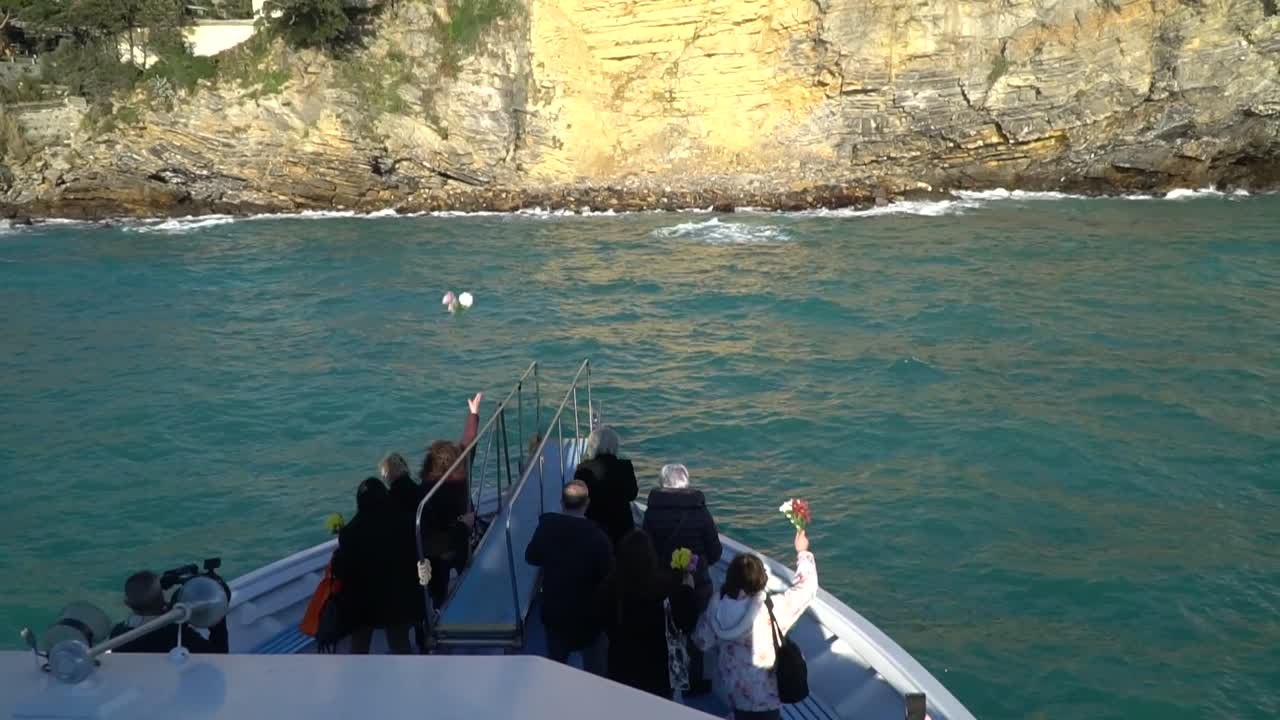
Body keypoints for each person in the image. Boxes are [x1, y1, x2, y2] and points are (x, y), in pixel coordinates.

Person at [693, 529, 818, 720]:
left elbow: (701, 641)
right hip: (766, 698)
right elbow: (807, 588)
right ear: (760, 581)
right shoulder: (770, 610)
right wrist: (803, 552)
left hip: (735, 694)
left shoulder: (716, 609)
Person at [643, 462, 723, 693]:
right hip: (697, 585)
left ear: (663, 484)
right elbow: (715, 552)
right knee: (696, 633)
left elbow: (648, 550)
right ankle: (694, 682)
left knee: (666, 630)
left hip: (664, 583)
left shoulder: (652, 512)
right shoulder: (701, 512)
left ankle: (667, 680)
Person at [592, 529, 697, 698]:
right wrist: (688, 590)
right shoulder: (665, 589)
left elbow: (600, 620)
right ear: (651, 558)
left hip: (620, 668)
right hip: (657, 675)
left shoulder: (608, 587)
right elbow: (687, 623)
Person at [525, 480, 612, 672]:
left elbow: (531, 556)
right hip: (588, 617)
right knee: (596, 671)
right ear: (587, 503)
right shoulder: (598, 537)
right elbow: (608, 576)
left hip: (555, 613)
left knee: (556, 667)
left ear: (562, 502)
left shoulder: (547, 527)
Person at [418, 392, 482, 610]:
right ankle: (471, 601)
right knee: (467, 569)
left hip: (440, 549)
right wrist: (473, 414)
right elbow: (469, 442)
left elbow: (468, 444)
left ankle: (438, 610)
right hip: (460, 537)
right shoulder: (463, 471)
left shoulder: (425, 490)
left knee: (438, 587)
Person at [332, 477, 396, 654]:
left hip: (361, 605)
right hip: (392, 599)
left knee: (359, 644)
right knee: (399, 642)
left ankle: (359, 675)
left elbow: (343, 571)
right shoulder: (397, 526)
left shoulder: (349, 533)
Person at [109, 570, 229, 654]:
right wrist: (218, 617)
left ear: (127, 603)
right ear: (163, 599)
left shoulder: (117, 635)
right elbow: (219, 656)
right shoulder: (177, 636)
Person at [379, 451, 422, 653]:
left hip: (397, 571)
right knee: (421, 615)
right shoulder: (420, 492)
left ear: (387, 474)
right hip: (421, 562)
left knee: (398, 633)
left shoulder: (387, 501)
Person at [573, 426, 639, 546]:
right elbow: (632, 494)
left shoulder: (583, 469)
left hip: (594, 527)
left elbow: (579, 500)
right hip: (622, 527)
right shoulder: (625, 466)